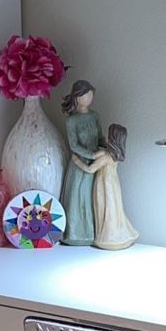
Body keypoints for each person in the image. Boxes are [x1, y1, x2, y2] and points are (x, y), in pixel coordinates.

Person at [60, 80, 106, 245]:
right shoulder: (71, 121)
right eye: (86, 95)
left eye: (91, 94)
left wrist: (107, 149)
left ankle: (92, 232)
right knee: (80, 197)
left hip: (97, 161)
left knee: (95, 196)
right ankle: (76, 234)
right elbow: (73, 145)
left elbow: (100, 137)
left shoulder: (95, 116)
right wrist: (91, 154)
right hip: (80, 163)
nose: (89, 98)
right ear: (77, 97)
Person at [92, 122, 139, 250]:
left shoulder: (107, 156)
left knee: (107, 208)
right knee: (115, 209)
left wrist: (77, 160)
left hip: (104, 184)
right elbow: (99, 154)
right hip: (113, 183)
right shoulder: (115, 154)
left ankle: (110, 237)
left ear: (111, 138)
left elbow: (91, 168)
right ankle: (117, 233)